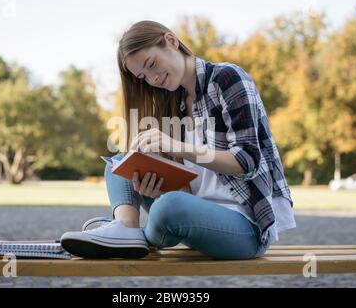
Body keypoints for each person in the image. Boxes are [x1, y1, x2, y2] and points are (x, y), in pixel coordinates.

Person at [60, 20, 296, 260]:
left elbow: (248, 161)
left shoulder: (227, 78)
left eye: (151, 64)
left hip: (245, 227)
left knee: (169, 206)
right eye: (143, 76)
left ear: (171, 41)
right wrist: (154, 184)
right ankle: (126, 228)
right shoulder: (174, 102)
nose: (152, 78)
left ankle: (136, 237)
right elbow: (190, 186)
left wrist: (177, 147)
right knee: (118, 165)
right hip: (193, 214)